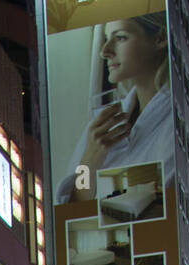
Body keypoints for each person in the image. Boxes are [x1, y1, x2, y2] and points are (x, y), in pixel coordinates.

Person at [56, 12, 174, 204]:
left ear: (160, 38)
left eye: (120, 38)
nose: (105, 51)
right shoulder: (100, 128)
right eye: (105, 39)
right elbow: (73, 207)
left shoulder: (173, 125)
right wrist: (89, 162)